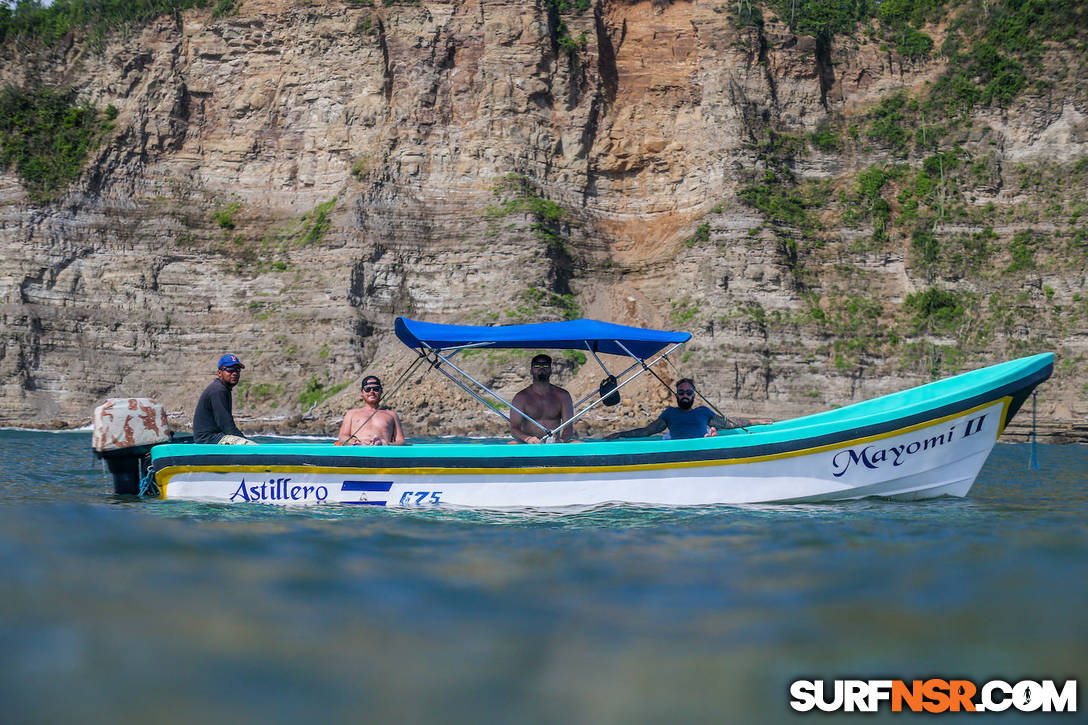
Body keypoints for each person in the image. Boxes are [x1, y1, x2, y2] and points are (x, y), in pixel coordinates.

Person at [606, 378, 771, 440]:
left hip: (701, 452)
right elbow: (647, 431)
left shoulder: (703, 412)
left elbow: (730, 423)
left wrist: (756, 421)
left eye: (688, 392)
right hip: (678, 454)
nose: (685, 395)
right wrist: (621, 434)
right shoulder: (669, 414)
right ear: (677, 395)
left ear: (694, 395)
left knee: (713, 434)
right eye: (681, 392)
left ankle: (711, 436)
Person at [509, 353, 575, 443]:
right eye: (537, 365)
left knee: (578, 443)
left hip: (554, 444)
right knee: (512, 443)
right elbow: (514, 428)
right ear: (531, 371)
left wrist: (561, 441)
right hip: (529, 444)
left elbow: (568, 427)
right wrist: (528, 439)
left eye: (545, 365)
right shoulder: (521, 398)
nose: (541, 367)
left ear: (551, 370)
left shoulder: (563, 396)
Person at [193, 353, 256, 445]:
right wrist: (245, 440)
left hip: (214, 437)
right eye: (230, 369)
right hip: (208, 439)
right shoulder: (218, 390)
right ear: (219, 373)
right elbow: (226, 426)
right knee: (251, 446)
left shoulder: (223, 389)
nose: (235, 373)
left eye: (237, 370)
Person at [337, 375, 406, 446]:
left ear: (381, 391)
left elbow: (401, 441)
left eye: (376, 389)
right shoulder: (351, 414)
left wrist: (385, 443)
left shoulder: (392, 415)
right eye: (368, 389)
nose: (372, 391)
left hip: (383, 454)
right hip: (358, 453)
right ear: (362, 392)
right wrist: (357, 443)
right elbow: (342, 437)